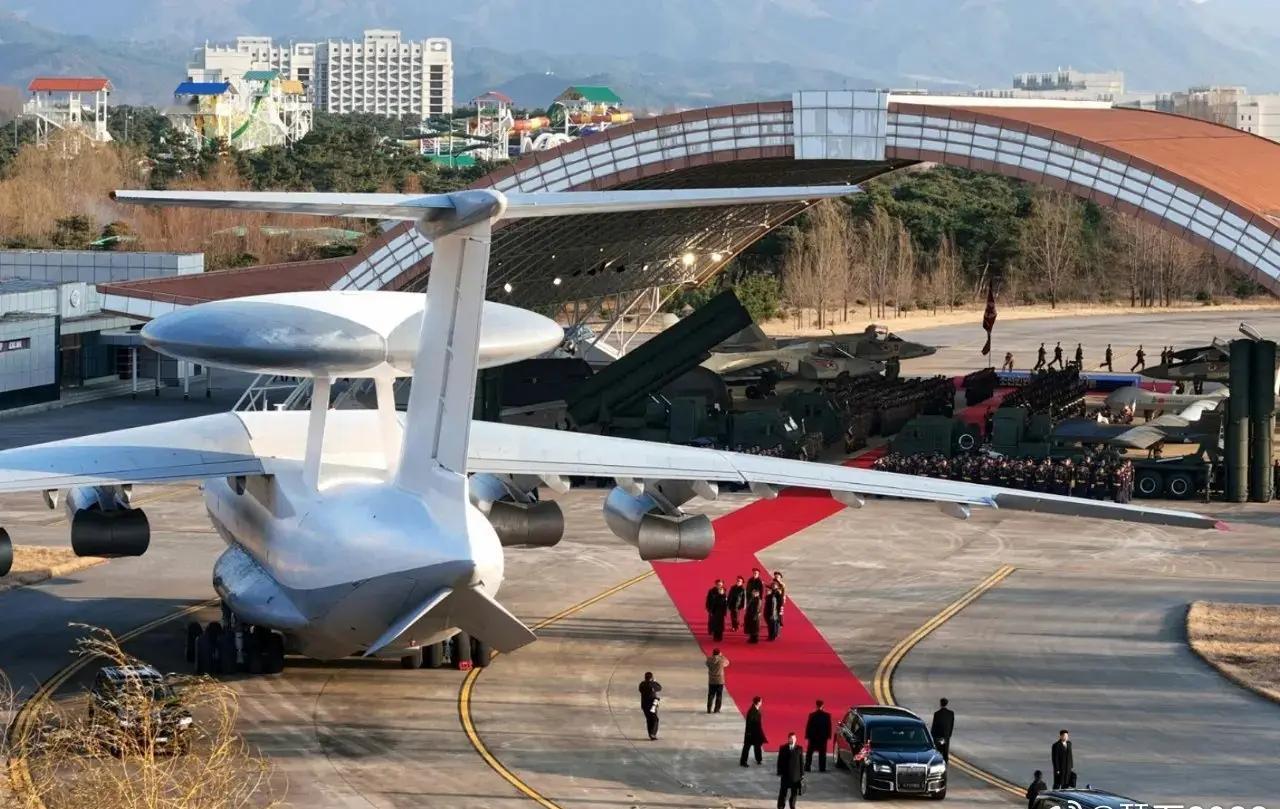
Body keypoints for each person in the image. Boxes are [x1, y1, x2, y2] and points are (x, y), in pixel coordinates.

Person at [776, 731, 805, 809]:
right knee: (783, 792)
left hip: (796, 776)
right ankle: (781, 806)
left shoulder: (799, 749)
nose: (793, 740)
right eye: (791, 738)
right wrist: (779, 771)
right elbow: (779, 761)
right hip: (785, 775)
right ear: (788, 739)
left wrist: (802, 774)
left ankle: (792, 805)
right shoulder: (783, 748)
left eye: (794, 738)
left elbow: (802, 762)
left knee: (794, 793)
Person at [804, 699, 832, 772]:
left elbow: (808, 726)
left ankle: (807, 767)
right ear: (823, 706)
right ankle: (822, 768)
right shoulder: (827, 716)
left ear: (816, 706)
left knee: (809, 753)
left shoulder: (812, 715)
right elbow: (829, 727)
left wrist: (807, 736)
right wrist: (828, 736)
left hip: (813, 738)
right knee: (822, 754)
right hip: (823, 738)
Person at [740, 696, 767, 766]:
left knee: (757, 746)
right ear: (758, 702)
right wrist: (749, 733)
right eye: (761, 701)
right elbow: (749, 723)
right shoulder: (752, 711)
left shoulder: (755, 709)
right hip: (751, 733)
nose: (761, 703)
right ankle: (743, 761)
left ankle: (759, 759)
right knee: (747, 747)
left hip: (755, 732)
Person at [638, 672, 662, 740]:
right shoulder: (652, 684)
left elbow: (640, 690)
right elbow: (659, 688)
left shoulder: (642, 684)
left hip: (644, 705)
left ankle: (650, 734)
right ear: (651, 678)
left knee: (649, 719)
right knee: (655, 719)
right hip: (652, 704)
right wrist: (654, 682)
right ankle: (653, 734)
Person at [930, 697, 955, 762]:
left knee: (939, 751)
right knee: (945, 752)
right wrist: (949, 735)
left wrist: (932, 736)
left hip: (938, 736)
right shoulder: (951, 713)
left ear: (940, 704)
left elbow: (934, 725)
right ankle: (945, 763)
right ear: (947, 704)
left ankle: (939, 763)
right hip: (946, 736)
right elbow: (952, 725)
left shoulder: (937, 713)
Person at [706, 648, 729, 714]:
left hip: (712, 680)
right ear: (719, 653)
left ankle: (709, 709)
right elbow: (727, 663)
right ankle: (716, 709)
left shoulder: (709, 659)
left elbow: (707, 664)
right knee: (719, 695)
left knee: (711, 695)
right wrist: (722, 656)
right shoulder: (721, 660)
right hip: (719, 680)